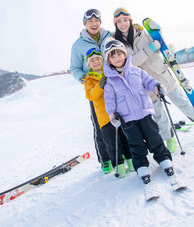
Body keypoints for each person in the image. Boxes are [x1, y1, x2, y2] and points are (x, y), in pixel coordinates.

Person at [112, 7, 194, 153]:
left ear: (130, 20)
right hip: (145, 83)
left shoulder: (142, 33)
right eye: (119, 22)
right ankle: (169, 138)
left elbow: (159, 44)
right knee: (159, 114)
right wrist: (149, 50)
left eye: (125, 20)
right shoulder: (117, 44)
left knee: (181, 101)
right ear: (115, 24)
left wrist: (158, 31)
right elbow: (130, 63)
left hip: (161, 74)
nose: (123, 24)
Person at [103, 38, 177, 187]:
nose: (117, 58)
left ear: (124, 54)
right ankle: (142, 166)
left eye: (119, 54)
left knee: (154, 138)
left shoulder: (136, 70)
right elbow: (109, 100)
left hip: (145, 112)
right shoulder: (109, 81)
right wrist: (112, 115)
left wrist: (157, 86)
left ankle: (163, 159)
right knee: (135, 144)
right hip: (127, 119)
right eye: (112, 56)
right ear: (109, 60)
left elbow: (148, 81)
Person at [70, 9, 113, 174]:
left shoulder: (109, 36)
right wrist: (85, 80)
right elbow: (74, 68)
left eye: (96, 20)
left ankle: (125, 154)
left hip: (114, 83)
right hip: (95, 87)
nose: (93, 24)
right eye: (90, 22)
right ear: (85, 24)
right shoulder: (78, 45)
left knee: (122, 118)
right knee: (100, 123)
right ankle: (106, 160)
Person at [84, 48, 134, 178]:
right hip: (105, 117)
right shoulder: (89, 80)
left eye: (98, 59)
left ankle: (132, 161)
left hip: (119, 112)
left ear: (103, 60)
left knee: (126, 138)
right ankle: (119, 167)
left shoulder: (111, 72)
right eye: (92, 61)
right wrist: (100, 86)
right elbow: (91, 95)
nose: (95, 63)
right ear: (88, 64)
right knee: (112, 143)